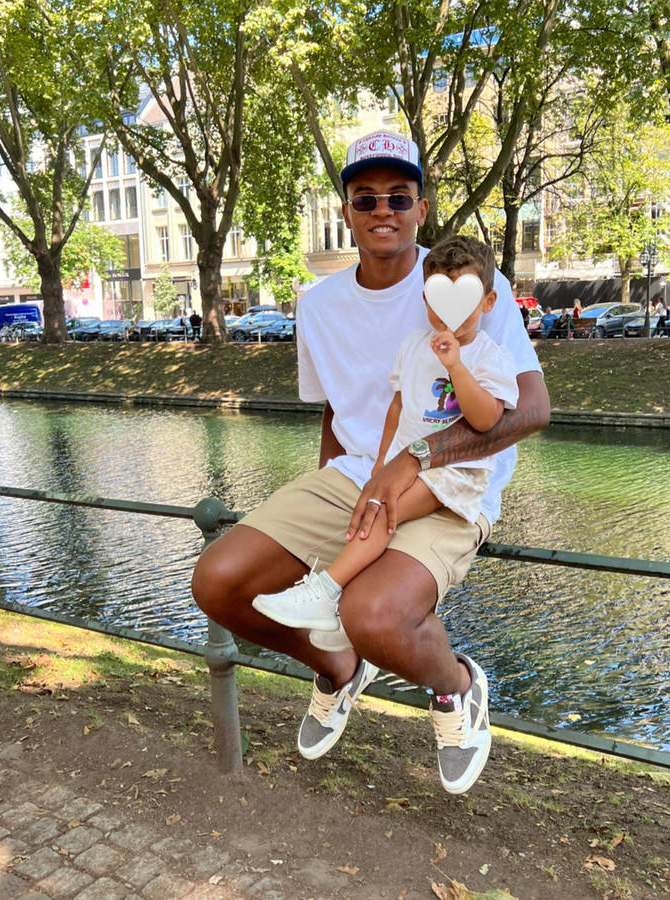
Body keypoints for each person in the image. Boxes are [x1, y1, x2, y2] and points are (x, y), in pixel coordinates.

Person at [191, 130, 550, 795]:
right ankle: (337, 668)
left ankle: (458, 689)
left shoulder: (461, 281)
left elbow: (529, 412)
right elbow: (335, 410)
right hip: (355, 472)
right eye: (366, 198)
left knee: (375, 614)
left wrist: (414, 457)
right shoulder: (318, 304)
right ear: (348, 209)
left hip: (452, 486)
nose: (382, 210)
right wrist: (333, 496)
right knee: (219, 581)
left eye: (398, 196)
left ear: (419, 206)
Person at [252, 236, 518, 672]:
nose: (448, 314)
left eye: (464, 299)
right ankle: (340, 619)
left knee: (380, 508)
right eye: (437, 300)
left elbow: (487, 418)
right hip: (407, 466)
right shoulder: (414, 346)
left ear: (487, 302)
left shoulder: (490, 356)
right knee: (376, 499)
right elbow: (398, 406)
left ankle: (326, 590)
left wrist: (456, 366)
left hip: (455, 473)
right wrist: (381, 462)